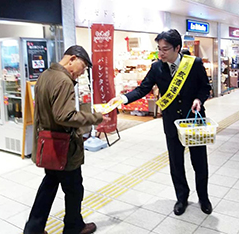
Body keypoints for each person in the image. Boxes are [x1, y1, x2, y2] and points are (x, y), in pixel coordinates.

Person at [109, 29, 212, 216]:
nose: (160, 53)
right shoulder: (157, 67)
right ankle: (182, 197)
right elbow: (142, 89)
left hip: (194, 120)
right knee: (176, 162)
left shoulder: (194, 64)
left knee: (200, 161)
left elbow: (205, 87)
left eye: (165, 49)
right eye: (159, 48)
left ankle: (204, 197)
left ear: (177, 48)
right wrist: (123, 98)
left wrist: (199, 99)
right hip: (172, 123)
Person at [24, 45, 109, 234]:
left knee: (49, 186)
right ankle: (73, 227)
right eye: (84, 66)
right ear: (72, 59)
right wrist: (97, 117)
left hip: (48, 143)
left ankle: (33, 229)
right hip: (63, 147)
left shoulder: (45, 75)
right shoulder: (63, 81)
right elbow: (65, 116)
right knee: (74, 190)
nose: (83, 71)